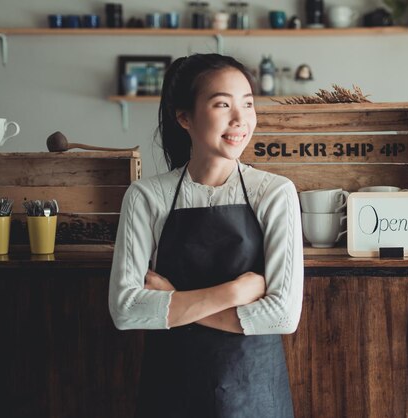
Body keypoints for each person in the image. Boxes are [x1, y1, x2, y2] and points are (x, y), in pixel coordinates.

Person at [108, 53, 304, 418]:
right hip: (171, 387)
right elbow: (126, 309)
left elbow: (282, 316)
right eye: (222, 104)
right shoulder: (147, 196)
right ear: (184, 117)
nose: (240, 119)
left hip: (254, 389)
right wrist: (232, 293)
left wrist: (174, 301)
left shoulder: (275, 193)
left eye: (247, 104)